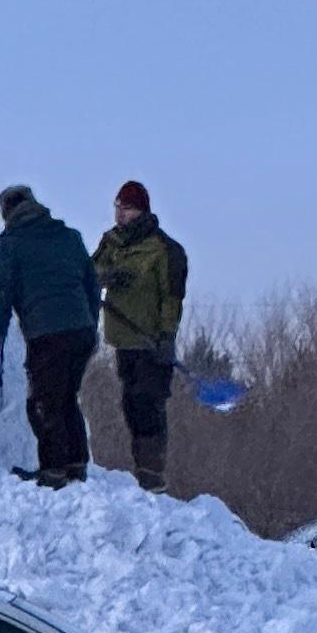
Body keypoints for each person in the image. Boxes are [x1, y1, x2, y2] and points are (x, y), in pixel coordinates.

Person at [0, 184, 100, 487]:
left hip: (48, 334)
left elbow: (2, 295)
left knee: (43, 403)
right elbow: (92, 284)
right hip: (81, 331)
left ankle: (53, 472)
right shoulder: (69, 236)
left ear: (6, 212)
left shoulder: (11, 245)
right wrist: (92, 325)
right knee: (66, 398)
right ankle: (76, 464)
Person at [94, 179, 190, 490]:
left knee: (148, 404)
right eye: (118, 208)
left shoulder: (164, 250)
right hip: (124, 340)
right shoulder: (112, 243)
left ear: (142, 211)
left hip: (151, 342)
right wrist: (107, 277)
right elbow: (90, 273)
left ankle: (153, 477)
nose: (121, 215)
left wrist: (166, 336)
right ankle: (142, 473)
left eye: (128, 209)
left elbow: (171, 297)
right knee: (131, 405)